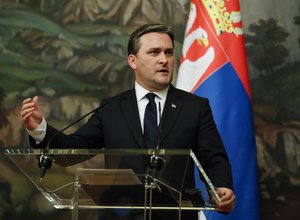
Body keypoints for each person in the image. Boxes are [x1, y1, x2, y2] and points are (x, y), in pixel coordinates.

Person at [20, 23, 235, 219]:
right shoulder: (111, 108)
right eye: (154, 52)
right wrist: (39, 129)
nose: (164, 60)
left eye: (168, 53)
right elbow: (74, 150)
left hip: (177, 214)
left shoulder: (194, 107)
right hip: (122, 215)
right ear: (133, 60)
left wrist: (221, 187)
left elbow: (213, 157)